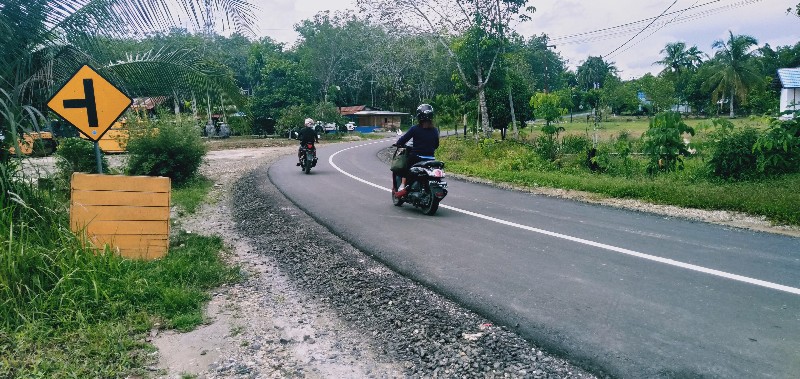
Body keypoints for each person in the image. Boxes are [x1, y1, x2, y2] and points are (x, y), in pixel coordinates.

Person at [394, 104, 439, 198]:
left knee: (405, 165)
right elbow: (436, 145)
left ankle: (402, 185)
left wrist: (398, 143)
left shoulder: (415, 129)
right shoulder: (435, 130)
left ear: (419, 116)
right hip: (431, 158)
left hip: (417, 158)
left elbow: (402, 140)